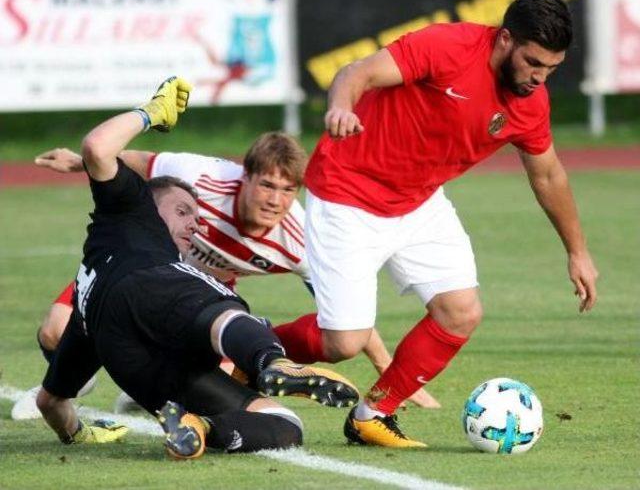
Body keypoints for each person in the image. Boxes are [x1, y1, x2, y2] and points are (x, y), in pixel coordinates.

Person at [273, 0, 599, 447]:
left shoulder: (531, 103)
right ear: (505, 39)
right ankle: (246, 347)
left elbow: (548, 175)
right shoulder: (449, 47)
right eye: (533, 62)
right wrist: (341, 106)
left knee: (460, 312)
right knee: (343, 343)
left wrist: (577, 252)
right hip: (348, 192)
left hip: (419, 202)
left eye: (551, 69)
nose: (539, 78)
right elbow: (357, 73)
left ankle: (372, 415)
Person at [36, 76, 359, 459]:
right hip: (151, 291)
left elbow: (50, 402)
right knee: (222, 308)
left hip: (131, 355)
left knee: (285, 426)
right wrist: (151, 113)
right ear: (147, 201)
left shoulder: (86, 323)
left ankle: (198, 426)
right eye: (183, 210)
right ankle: (273, 361)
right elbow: (97, 147)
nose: (196, 224)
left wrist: (77, 434)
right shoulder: (130, 210)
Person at [13, 133, 439, 421]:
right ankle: (72, 379)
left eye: (288, 190)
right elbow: (138, 162)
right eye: (267, 185)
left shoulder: (301, 240)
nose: (276, 200)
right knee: (54, 330)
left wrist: (390, 372)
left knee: (219, 370)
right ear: (244, 176)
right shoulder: (205, 176)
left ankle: (181, 381)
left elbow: (347, 313)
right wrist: (78, 162)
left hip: (196, 302)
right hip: (131, 267)